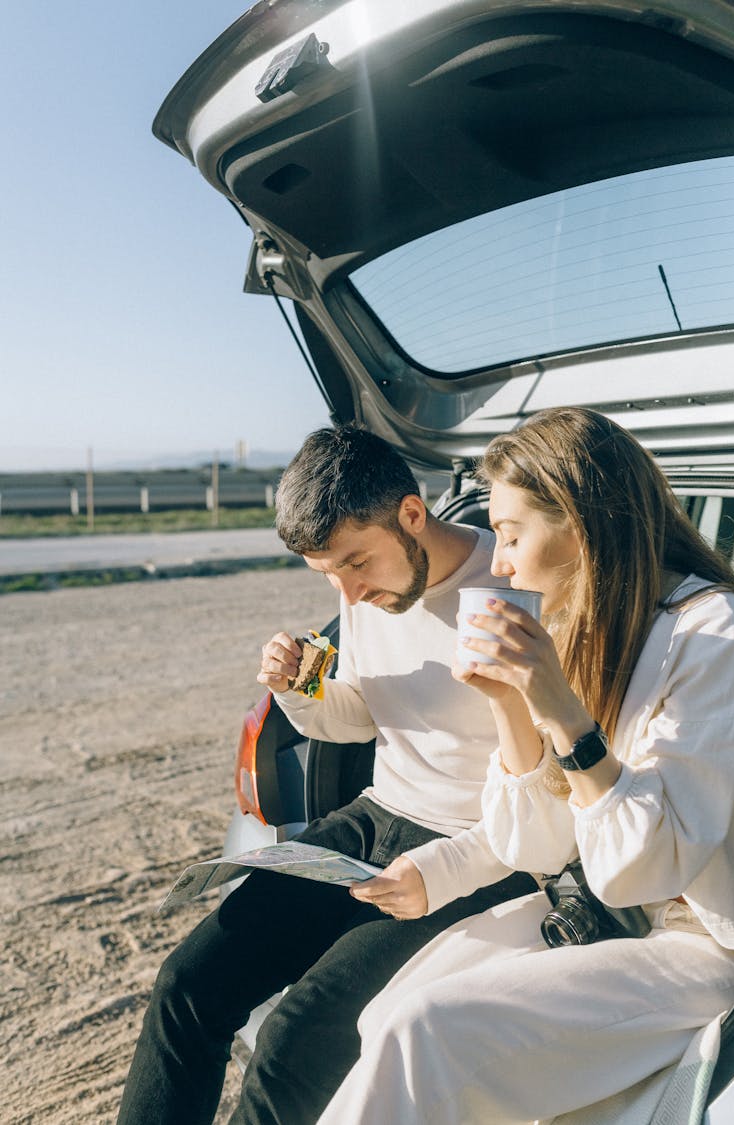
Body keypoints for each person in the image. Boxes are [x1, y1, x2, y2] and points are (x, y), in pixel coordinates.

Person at [317, 406, 734, 1125]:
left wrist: (561, 709)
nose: (502, 561)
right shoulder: (578, 626)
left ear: (582, 524)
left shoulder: (716, 632)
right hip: (602, 912)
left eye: (512, 535)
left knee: (424, 1030)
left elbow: (648, 865)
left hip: (706, 944)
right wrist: (508, 706)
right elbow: (534, 844)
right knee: (387, 1014)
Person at [116, 425, 535, 1125]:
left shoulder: (518, 585)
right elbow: (363, 718)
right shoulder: (367, 586)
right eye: (326, 574)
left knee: (294, 1041)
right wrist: (300, 691)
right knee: (189, 982)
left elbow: (547, 804)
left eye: (355, 562)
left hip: (479, 849)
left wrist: (443, 867)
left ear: (410, 513)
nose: (347, 589)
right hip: (377, 815)